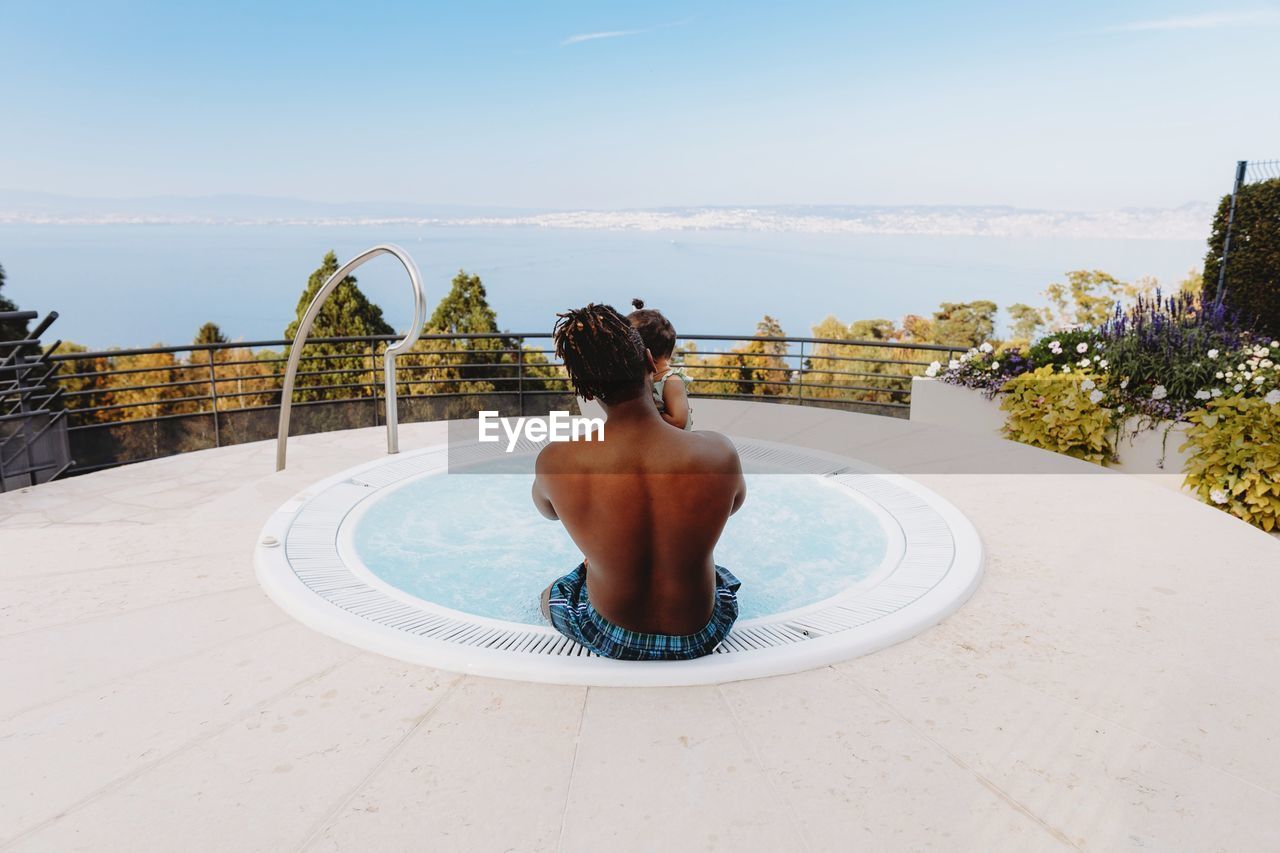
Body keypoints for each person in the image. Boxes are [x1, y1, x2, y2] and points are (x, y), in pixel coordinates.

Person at [533, 303, 746, 660]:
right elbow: (735, 503)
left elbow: (547, 511)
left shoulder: (556, 461)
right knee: (711, 569)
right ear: (650, 361)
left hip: (612, 633)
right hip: (700, 633)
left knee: (553, 593)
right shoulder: (719, 452)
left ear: (586, 391)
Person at [627, 298, 692, 430]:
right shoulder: (641, 381)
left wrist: (644, 413)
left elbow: (679, 422)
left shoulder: (671, 381)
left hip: (676, 446)